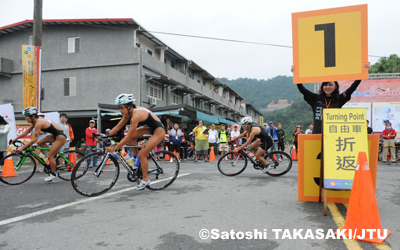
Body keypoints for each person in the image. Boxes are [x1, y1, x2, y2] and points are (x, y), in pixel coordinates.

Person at [106, 94, 165, 190]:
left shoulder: (136, 115)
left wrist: (115, 147)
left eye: (121, 107)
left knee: (142, 154)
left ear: (129, 106)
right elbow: (117, 127)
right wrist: (106, 134)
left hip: (158, 131)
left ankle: (145, 180)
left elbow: (128, 136)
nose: (120, 110)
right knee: (131, 139)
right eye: (118, 108)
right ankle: (135, 160)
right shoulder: (127, 113)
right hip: (149, 129)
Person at [292, 63, 370, 134]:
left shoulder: (340, 98)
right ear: (322, 86)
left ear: (335, 86)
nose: (327, 87)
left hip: (334, 135)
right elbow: (302, 90)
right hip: (317, 135)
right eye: (325, 85)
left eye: (330, 85)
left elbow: (352, 88)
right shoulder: (315, 98)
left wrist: (364, 71)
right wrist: (295, 73)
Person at [11, 107, 67, 182]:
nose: (25, 118)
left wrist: (22, 147)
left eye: (26, 116)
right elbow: (27, 131)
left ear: (32, 116)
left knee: (50, 155)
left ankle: (53, 173)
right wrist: (16, 138)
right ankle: (52, 153)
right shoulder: (34, 122)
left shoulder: (38, 123)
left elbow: (34, 139)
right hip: (54, 135)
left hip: (60, 137)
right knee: (39, 143)